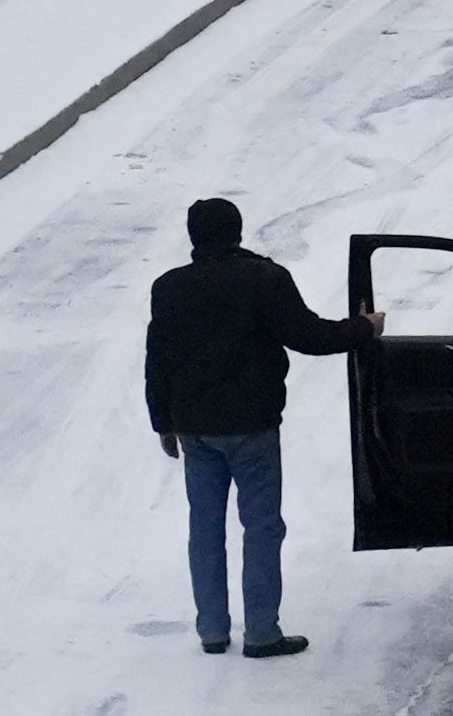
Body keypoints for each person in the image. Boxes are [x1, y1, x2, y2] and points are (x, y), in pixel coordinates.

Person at [144, 196, 369, 658]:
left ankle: (212, 631)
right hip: (252, 427)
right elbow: (310, 336)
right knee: (262, 527)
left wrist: (163, 422)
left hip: (195, 430)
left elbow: (157, 360)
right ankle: (262, 632)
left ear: (193, 236)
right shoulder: (264, 278)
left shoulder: (168, 288)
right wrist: (363, 329)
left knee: (204, 529)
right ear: (238, 231)